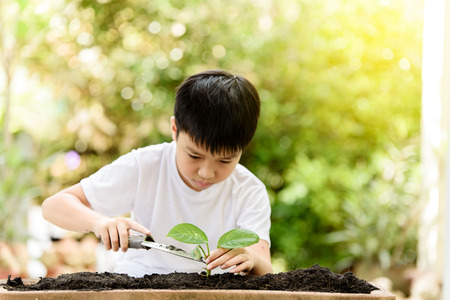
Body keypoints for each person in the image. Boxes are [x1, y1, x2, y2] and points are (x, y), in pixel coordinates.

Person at [42, 69, 273, 277]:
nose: (206, 172)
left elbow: (264, 269)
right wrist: (99, 223)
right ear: (174, 130)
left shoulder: (249, 191)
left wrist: (251, 260)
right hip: (138, 285)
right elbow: (54, 206)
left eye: (225, 160)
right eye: (194, 156)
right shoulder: (145, 166)